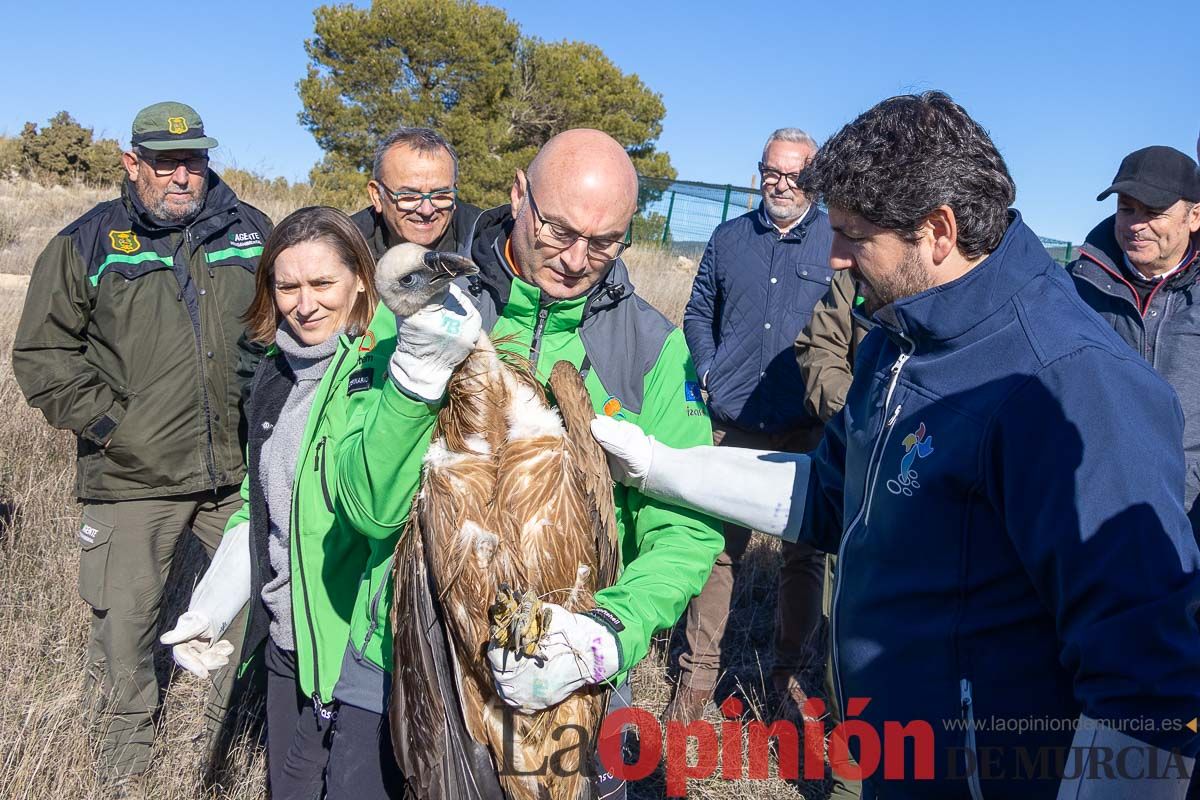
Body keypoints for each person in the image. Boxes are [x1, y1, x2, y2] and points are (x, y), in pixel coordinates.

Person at [592, 92, 1200, 798]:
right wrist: (664, 468)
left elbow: (1147, 683)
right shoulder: (895, 337)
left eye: (853, 235)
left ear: (938, 231)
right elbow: (832, 495)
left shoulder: (1075, 385)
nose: (835, 258)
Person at [335, 128, 724, 795]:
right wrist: (412, 384)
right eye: (557, 230)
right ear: (520, 194)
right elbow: (368, 510)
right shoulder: (428, 304)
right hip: (413, 653)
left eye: (604, 242)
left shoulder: (652, 349)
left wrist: (607, 633)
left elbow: (686, 529)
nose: (576, 259)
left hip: (573, 662)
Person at [12, 101, 271, 794]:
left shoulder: (253, 233)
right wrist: (112, 428)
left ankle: (229, 744)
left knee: (260, 608)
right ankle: (122, 769)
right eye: (164, 162)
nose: (181, 175)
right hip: (133, 477)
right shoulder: (88, 243)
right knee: (125, 629)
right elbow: (42, 355)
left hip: (234, 476)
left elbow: (289, 328)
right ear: (133, 163)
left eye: (192, 160)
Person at [161, 206, 447, 798]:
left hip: (362, 652)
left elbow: (379, 512)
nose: (304, 304)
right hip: (288, 640)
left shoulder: (396, 373)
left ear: (362, 281)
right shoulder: (275, 374)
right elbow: (258, 507)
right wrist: (213, 606)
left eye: (323, 284)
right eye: (286, 286)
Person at [675, 128, 834, 724]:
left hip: (807, 428)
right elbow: (697, 311)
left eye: (796, 175)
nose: (782, 184)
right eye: (772, 172)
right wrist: (710, 364)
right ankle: (696, 680)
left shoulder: (836, 243)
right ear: (758, 171)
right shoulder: (728, 238)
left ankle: (788, 677)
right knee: (719, 552)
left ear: (815, 179)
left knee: (803, 559)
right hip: (734, 420)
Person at [1066, 146, 1200, 524]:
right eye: (1127, 209)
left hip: (1189, 517)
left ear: (1194, 217)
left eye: (1154, 212)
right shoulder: (1070, 291)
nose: (1136, 224)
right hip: (1090, 514)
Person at [352, 126, 481, 259]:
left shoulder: (489, 244)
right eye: (409, 196)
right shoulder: (342, 250)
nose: (426, 210)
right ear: (377, 196)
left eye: (440, 194)